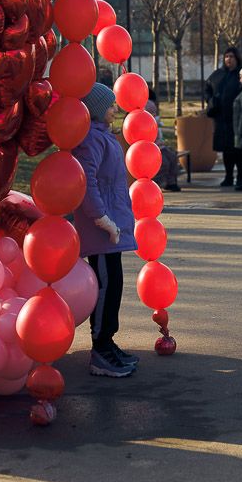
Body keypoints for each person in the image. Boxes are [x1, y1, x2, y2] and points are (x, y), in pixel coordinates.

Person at [72, 82, 140, 377]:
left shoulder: (103, 136)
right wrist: (102, 219)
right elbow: (87, 183)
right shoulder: (90, 139)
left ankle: (108, 342)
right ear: (98, 109)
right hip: (101, 230)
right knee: (104, 289)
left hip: (112, 230)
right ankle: (100, 350)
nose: (116, 108)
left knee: (114, 287)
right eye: (111, 105)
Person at [205, 47, 242, 187]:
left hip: (236, 119)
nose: (229, 59)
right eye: (226, 56)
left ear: (237, 58)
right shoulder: (218, 75)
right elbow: (207, 89)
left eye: (231, 56)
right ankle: (228, 176)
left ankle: (240, 176)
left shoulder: (241, 74)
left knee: (238, 150)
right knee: (227, 151)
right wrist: (211, 101)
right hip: (221, 119)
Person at [145, 80, 180, 192]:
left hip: (159, 144)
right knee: (164, 161)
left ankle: (171, 182)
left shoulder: (150, 103)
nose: (154, 114)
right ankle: (158, 183)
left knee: (172, 156)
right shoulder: (144, 106)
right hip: (150, 146)